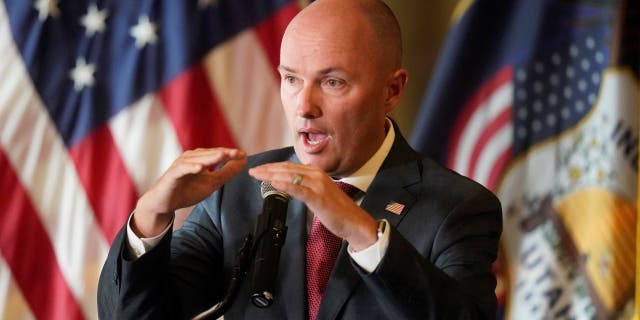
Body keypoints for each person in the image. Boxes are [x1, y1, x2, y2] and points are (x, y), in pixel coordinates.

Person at [97, 0, 502, 319]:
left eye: (332, 82)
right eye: (291, 79)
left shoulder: (458, 207)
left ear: (391, 91)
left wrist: (363, 234)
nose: (304, 106)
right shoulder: (237, 192)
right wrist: (150, 214)